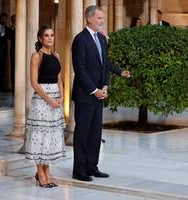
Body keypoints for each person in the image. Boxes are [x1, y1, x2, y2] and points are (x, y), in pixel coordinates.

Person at [72, 5, 116, 182]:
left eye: (102, 18)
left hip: (99, 95)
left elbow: (105, 65)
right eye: (99, 18)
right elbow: (80, 68)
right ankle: (79, 170)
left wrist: (105, 86)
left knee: (96, 133)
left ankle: (92, 166)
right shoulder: (80, 40)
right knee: (82, 133)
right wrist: (94, 90)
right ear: (89, 19)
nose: (102, 21)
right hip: (85, 95)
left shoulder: (102, 39)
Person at [26, 25, 66, 188]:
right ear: (40, 38)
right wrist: (49, 100)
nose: (50, 38)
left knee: (50, 137)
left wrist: (62, 96)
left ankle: (46, 172)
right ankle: (40, 173)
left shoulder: (56, 55)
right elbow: (34, 83)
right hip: (42, 101)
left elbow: (58, 78)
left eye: (52, 35)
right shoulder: (36, 56)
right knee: (40, 137)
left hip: (56, 99)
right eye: (46, 36)